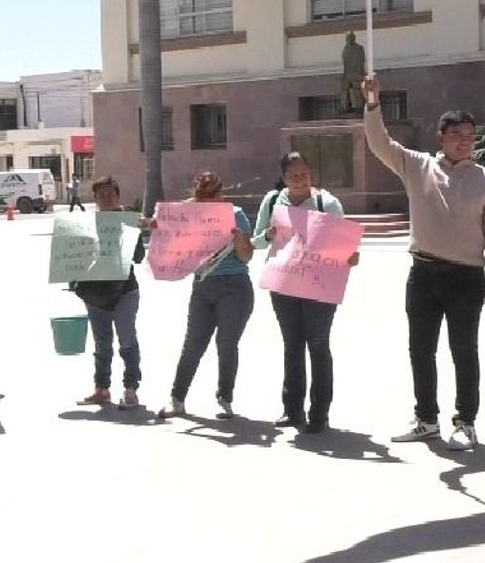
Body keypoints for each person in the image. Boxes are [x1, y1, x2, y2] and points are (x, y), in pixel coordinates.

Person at [363, 75, 485, 451]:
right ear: (440, 136)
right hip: (423, 274)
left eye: (471, 135)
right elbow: (379, 143)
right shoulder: (416, 166)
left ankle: (466, 422)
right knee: (420, 349)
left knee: (464, 351)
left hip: (467, 278)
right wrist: (373, 104)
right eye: (457, 134)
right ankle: (426, 418)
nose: (465, 140)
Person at [253, 152, 358, 434]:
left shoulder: (328, 203)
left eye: (304, 175)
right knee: (292, 346)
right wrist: (267, 236)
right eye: (293, 176)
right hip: (284, 284)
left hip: (319, 285)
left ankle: (319, 414)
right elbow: (257, 242)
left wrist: (350, 256)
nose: (300, 181)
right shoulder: (273, 201)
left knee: (319, 345)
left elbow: (344, 244)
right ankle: (292, 409)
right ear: (283, 178)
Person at [158, 171, 255, 420]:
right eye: (203, 195)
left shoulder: (236, 215)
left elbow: (246, 257)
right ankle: (177, 399)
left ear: (221, 194)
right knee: (193, 344)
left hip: (235, 286)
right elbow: (172, 242)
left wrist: (240, 239)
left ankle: (225, 398)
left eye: (213, 194)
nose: (208, 200)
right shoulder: (190, 217)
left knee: (226, 344)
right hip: (203, 286)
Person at [74, 176, 143, 409]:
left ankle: (131, 388)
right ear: (94, 199)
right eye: (101, 195)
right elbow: (75, 257)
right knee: (102, 343)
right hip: (95, 292)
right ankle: (101, 388)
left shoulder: (128, 222)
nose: (106, 199)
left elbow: (139, 258)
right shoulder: (85, 224)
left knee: (127, 340)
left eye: (110, 194)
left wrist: (132, 233)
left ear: (118, 197)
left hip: (125, 291)